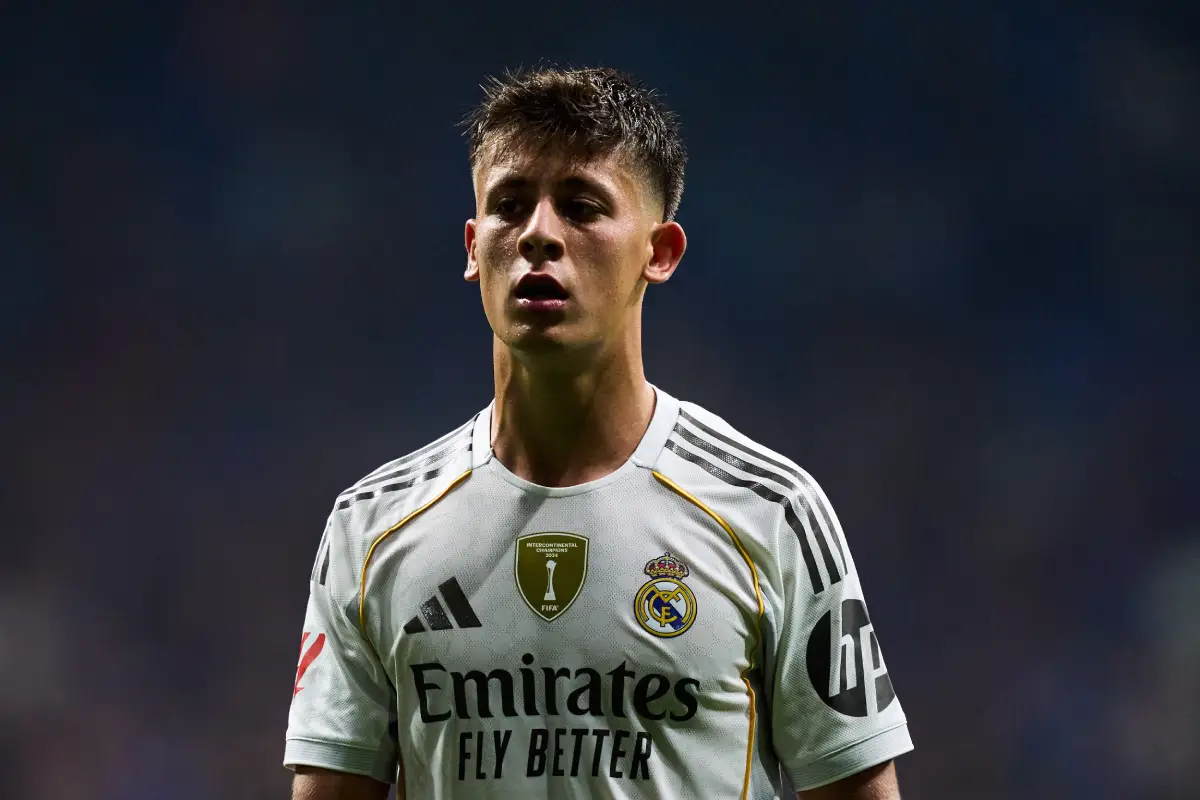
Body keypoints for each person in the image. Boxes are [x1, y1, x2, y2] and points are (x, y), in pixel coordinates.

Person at [284, 65, 913, 800]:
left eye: (581, 207)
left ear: (661, 251)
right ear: (470, 246)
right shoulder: (371, 530)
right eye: (510, 206)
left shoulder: (772, 513)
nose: (538, 235)